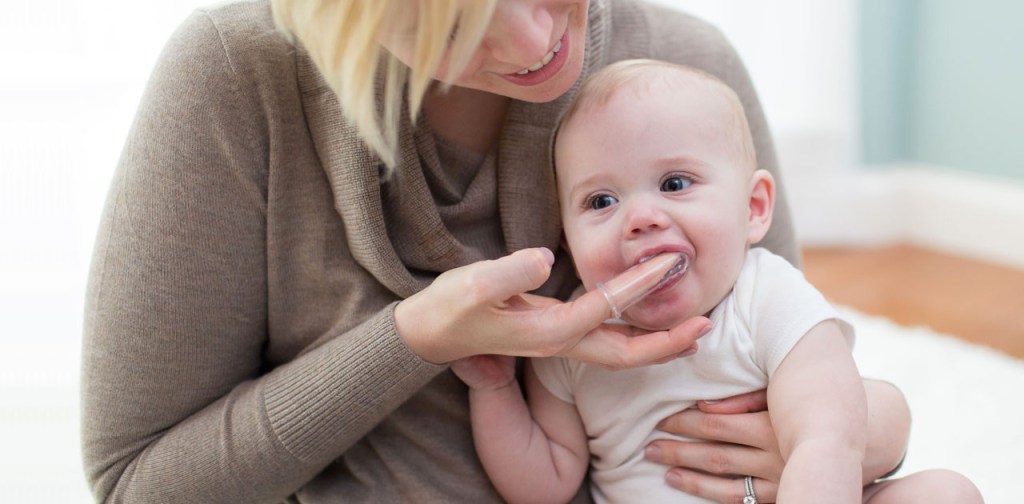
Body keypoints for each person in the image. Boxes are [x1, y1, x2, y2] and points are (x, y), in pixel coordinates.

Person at [80, 0, 916, 502]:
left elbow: (793, 369)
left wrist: (867, 433)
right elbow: (137, 484)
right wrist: (415, 341)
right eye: (452, 24)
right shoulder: (237, 79)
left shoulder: (686, 69)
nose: (532, 44)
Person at [452, 59, 983, 504]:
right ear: (568, 240)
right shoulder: (571, 337)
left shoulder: (769, 297)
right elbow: (544, 482)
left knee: (945, 492)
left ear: (753, 210)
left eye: (674, 183)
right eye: (601, 201)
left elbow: (828, 436)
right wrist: (494, 388)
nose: (640, 217)